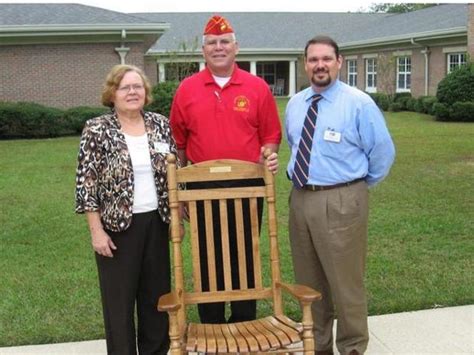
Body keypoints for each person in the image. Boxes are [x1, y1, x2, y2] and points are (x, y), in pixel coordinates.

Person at [285, 36, 395, 355]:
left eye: (326, 59)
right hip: (301, 198)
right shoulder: (296, 104)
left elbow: (382, 153)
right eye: (313, 59)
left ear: (339, 62)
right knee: (310, 281)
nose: (320, 65)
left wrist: (354, 189)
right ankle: (318, 346)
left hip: (342, 199)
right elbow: (297, 145)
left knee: (345, 282)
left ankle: (352, 347)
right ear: (305, 64)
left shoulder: (358, 103)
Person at [170, 15, 281, 324]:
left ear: (236, 47)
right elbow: (177, 143)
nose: (218, 47)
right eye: (212, 43)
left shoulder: (257, 87)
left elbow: (271, 135)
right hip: (201, 187)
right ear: (203, 50)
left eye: (224, 41)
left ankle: (244, 322)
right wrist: (179, 188)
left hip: (248, 184)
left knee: (244, 254)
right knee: (207, 257)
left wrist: (268, 155)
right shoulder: (187, 90)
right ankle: (212, 325)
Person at [75, 64, 180, 354]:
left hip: (157, 224)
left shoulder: (160, 124)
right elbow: (86, 184)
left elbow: (175, 172)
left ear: (146, 92)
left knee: (156, 301)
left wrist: (178, 211)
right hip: (116, 230)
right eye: (125, 87)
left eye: (138, 86)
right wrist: (96, 232)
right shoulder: (97, 129)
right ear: (112, 93)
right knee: (119, 305)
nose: (133, 92)